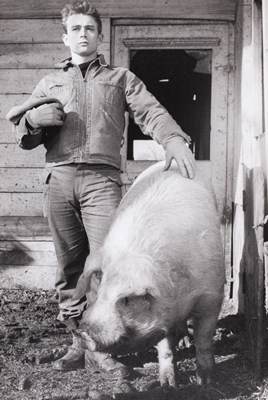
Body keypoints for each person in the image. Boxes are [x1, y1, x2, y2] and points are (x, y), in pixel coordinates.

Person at [6, 0, 195, 373]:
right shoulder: (49, 83)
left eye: (89, 29)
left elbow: (149, 112)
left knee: (104, 266)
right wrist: (32, 121)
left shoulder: (121, 79)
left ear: (99, 36)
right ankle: (81, 342)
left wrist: (172, 138)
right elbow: (23, 139)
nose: (82, 34)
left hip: (101, 182)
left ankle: (102, 342)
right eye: (75, 29)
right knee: (69, 267)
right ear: (65, 38)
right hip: (58, 179)